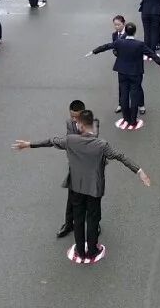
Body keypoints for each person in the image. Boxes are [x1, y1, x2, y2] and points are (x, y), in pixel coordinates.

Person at [12, 110, 151, 263]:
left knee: (78, 219)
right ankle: (92, 250)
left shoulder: (71, 140)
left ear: (82, 126)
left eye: (77, 123)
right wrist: (139, 171)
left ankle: (80, 250)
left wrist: (29, 144)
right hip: (94, 188)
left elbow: (51, 141)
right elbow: (121, 156)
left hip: (76, 187)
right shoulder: (101, 145)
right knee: (92, 218)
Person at [85, 22, 160, 129]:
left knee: (124, 95)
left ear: (125, 31)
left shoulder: (119, 42)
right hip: (135, 73)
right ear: (135, 32)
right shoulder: (140, 44)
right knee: (134, 96)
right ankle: (133, 120)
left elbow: (106, 46)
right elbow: (152, 55)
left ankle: (126, 118)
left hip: (122, 72)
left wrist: (93, 51)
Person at [57, 100, 88, 238]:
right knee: (71, 197)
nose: (74, 120)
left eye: (77, 116)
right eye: (72, 116)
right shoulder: (69, 123)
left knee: (89, 198)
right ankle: (68, 224)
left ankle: (93, 223)